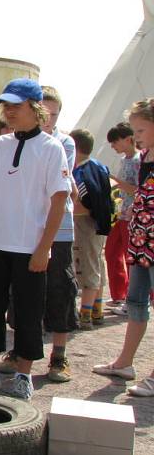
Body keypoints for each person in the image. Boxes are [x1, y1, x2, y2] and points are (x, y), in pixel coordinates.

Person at [0, 78, 71, 400]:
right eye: (5, 106)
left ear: (35, 108)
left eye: (15, 105)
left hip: (29, 247)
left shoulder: (51, 148)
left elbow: (59, 200)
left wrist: (44, 248)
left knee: (28, 312)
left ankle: (24, 374)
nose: (9, 111)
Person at [0, 85, 80, 383]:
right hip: (22, 229)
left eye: (53, 114)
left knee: (59, 288)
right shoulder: (12, 141)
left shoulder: (62, 143)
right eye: (44, 112)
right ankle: (19, 350)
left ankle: (59, 353)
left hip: (57, 229)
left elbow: (59, 187)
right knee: (20, 293)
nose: (48, 119)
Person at [93, 98, 154, 397]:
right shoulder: (143, 157)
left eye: (141, 129)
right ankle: (124, 363)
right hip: (141, 237)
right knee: (136, 302)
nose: (136, 135)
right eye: (134, 129)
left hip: (151, 240)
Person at [70, 129, 113, 329]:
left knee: (87, 267)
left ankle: (85, 313)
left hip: (86, 224)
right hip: (99, 225)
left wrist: (67, 209)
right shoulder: (100, 166)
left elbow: (85, 201)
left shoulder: (82, 172)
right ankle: (97, 309)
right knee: (97, 263)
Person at [104, 122, 140, 315]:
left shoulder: (137, 160)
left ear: (128, 139)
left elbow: (136, 189)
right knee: (111, 251)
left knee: (129, 257)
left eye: (115, 142)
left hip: (132, 215)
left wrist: (115, 180)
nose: (113, 146)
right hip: (121, 213)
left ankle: (133, 298)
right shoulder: (126, 159)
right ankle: (119, 293)